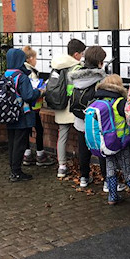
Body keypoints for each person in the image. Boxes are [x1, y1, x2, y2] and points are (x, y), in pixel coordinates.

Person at [92, 74, 130, 206]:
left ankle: (112, 196)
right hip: (121, 141)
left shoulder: (100, 102)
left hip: (107, 142)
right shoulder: (120, 102)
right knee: (126, 168)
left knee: (110, 167)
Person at [69, 46, 108, 188]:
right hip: (96, 122)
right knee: (102, 151)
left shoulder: (76, 75)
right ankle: (107, 182)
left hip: (80, 120)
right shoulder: (101, 78)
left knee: (83, 151)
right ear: (99, 62)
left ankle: (84, 178)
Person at [4, 48, 44, 182]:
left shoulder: (6, 74)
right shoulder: (21, 76)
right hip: (21, 113)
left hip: (8, 112)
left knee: (12, 142)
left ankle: (12, 167)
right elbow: (28, 95)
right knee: (20, 142)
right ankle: (16, 172)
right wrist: (39, 92)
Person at [50, 38, 85, 178]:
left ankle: (62, 167)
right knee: (81, 135)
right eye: (81, 53)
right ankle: (83, 165)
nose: (82, 56)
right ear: (76, 54)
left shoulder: (57, 65)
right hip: (73, 106)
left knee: (62, 136)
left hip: (60, 105)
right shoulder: (76, 67)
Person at [21, 46, 55, 167]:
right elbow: (33, 90)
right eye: (35, 58)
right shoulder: (31, 72)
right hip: (33, 107)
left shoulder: (22, 70)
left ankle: (27, 154)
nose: (36, 61)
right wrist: (43, 90)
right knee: (39, 129)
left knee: (27, 130)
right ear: (30, 59)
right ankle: (40, 155)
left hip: (24, 107)